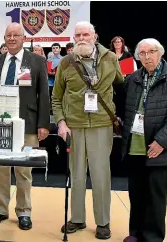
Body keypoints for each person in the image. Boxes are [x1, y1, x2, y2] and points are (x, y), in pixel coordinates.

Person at [52, 21, 124, 240]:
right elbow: (56, 97)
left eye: (86, 34)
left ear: (95, 36)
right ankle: (77, 218)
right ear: (73, 38)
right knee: (77, 175)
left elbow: (121, 83)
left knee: (101, 175)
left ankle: (103, 222)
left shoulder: (111, 58)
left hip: (101, 124)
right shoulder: (65, 62)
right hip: (74, 126)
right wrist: (61, 122)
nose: (81, 38)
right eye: (78, 34)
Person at [121, 38, 167, 242]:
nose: (147, 57)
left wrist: (162, 141)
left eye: (151, 52)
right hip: (134, 147)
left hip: (160, 149)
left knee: (155, 197)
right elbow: (125, 110)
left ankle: (152, 238)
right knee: (136, 195)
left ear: (160, 53)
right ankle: (136, 233)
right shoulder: (133, 78)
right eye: (142, 54)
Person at [0, 23, 50, 231]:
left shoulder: (37, 61)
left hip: (28, 123)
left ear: (24, 38)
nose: (12, 38)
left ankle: (24, 211)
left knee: (24, 170)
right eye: (9, 35)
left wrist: (43, 124)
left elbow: (44, 94)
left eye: (16, 35)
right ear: (4, 38)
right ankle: (0, 208)